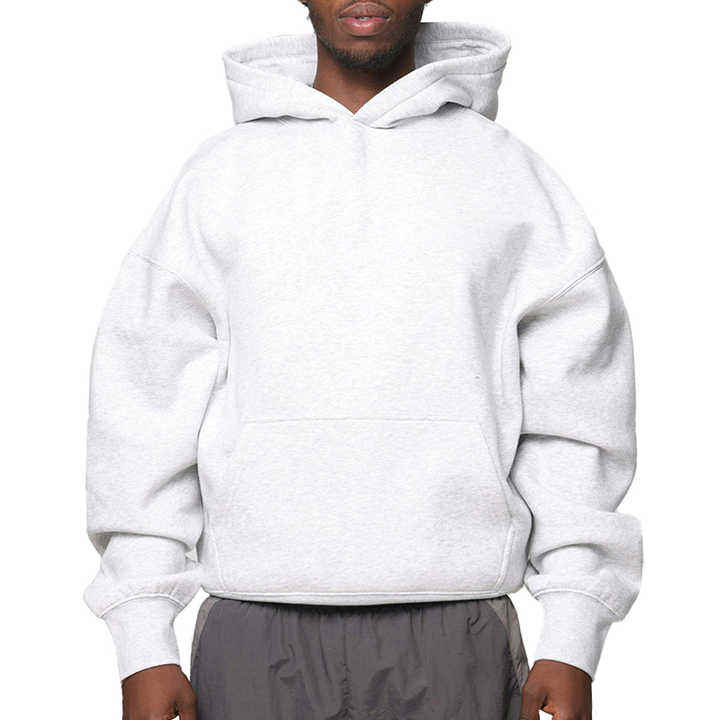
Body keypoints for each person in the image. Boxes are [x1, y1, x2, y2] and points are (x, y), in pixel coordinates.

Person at [83, 2, 642, 718]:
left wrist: (574, 626)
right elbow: (143, 405)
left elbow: (579, 416)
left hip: (457, 625)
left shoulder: (511, 180)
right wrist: (142, 636)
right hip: (255, 625)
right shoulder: (218, 179)